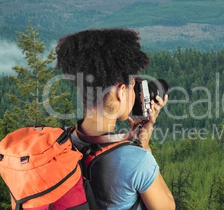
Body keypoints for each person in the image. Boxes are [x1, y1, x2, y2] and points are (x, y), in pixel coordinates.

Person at [55, 28, 175, 210]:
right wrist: (144, 146)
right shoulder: (137, 161)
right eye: (133, 86)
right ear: (121, 91)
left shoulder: (57, 144)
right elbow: (167, 207)